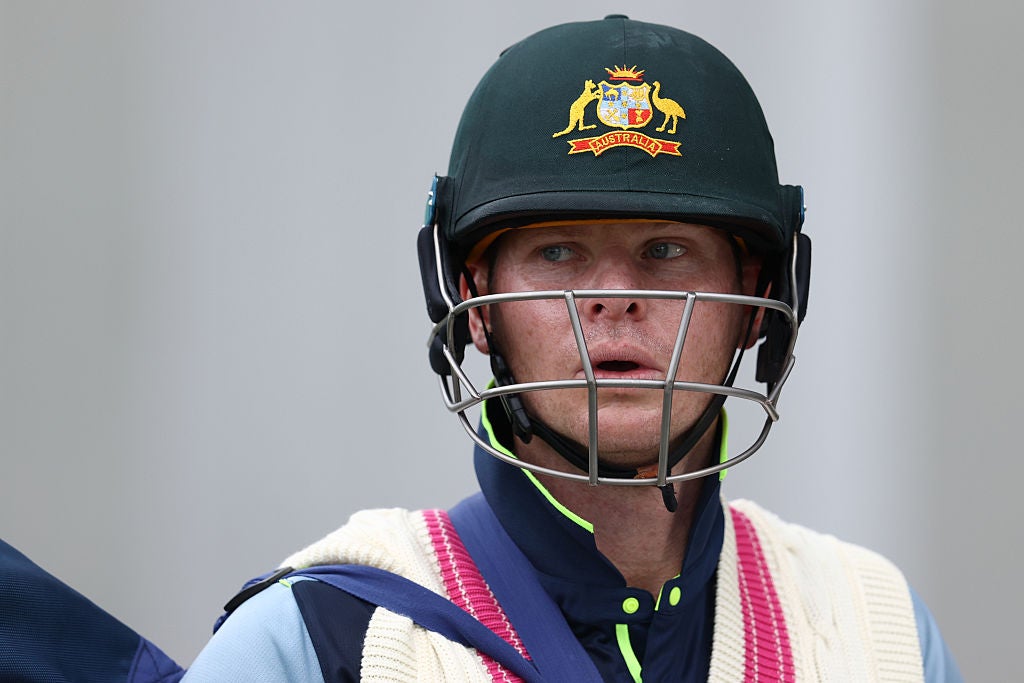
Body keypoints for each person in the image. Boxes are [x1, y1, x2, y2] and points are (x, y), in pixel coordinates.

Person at [184, 16, 962, 682]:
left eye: (666, 250)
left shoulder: (878, 632)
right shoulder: (321, 638)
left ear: (756, 302)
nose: (614, 297)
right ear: (473, 301)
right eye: (558, 252)